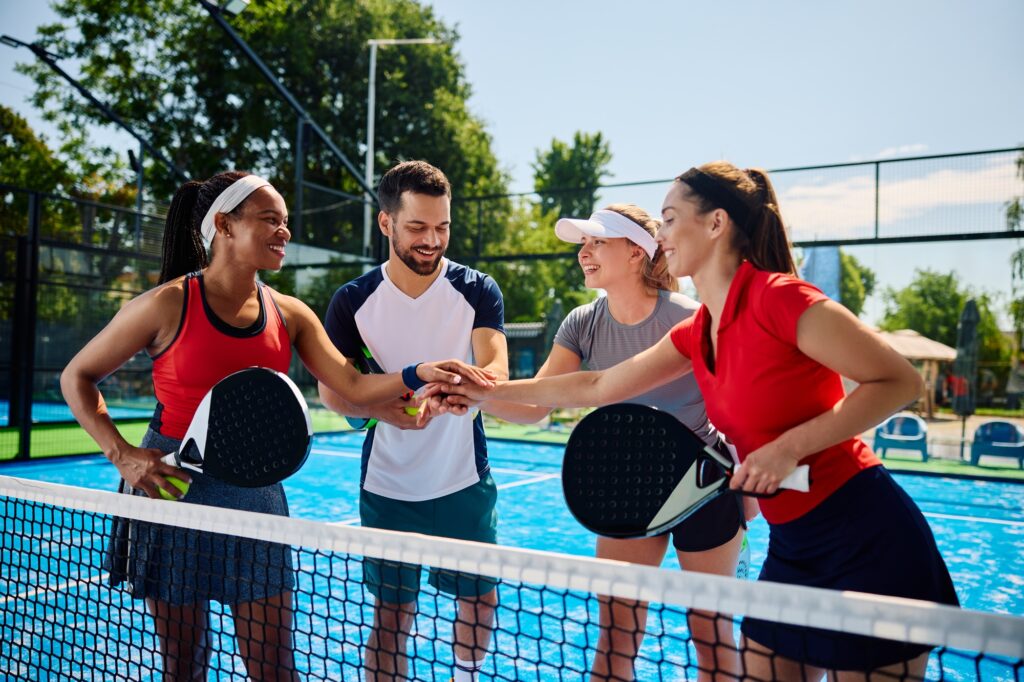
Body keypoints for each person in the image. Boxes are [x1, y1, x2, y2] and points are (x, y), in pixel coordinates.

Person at [428, 161, 960, 681]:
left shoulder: (781, 299)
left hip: (863, 531)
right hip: (793, 541)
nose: (661, 233)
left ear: (715, 223)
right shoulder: (698, 330)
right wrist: (479, 391)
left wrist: (785, 449)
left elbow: (899, 382)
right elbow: (595, 386)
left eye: (669, 216)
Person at [60, 170, 493, 682]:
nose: (284, 231)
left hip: (258, 494)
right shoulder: (166, 303)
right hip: (170, 490)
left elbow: (351, 387)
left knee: (275, 668)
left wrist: (416, 374)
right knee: (184, 665)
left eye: (286, 221)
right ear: (224, 225)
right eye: (270, 219)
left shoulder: (289, 313)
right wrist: (123, 453)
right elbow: (77, 377)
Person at [471, 204, 745, 681]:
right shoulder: (581, 323)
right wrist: (471, 396)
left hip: (704, 487)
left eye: (597, 241)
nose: (584, 251)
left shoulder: (692, 318)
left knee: (713, 639)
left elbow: (738, 403)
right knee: (614, 644)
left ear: (637, 253)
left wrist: (750, 485)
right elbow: (536, 406)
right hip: (626, 492)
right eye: (583, 242)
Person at [318, 160, 509, 682]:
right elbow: (333, 392)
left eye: (442, 227)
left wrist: (459, 390)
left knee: (481, 599)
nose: (432, 240)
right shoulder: (352, 302)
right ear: (386, 224)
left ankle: (466, 675)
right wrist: (385, 411)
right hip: (387, 486)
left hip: (463, 481)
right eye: (418, 227)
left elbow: (495, 368)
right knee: (391, 617)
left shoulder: (477, 289)